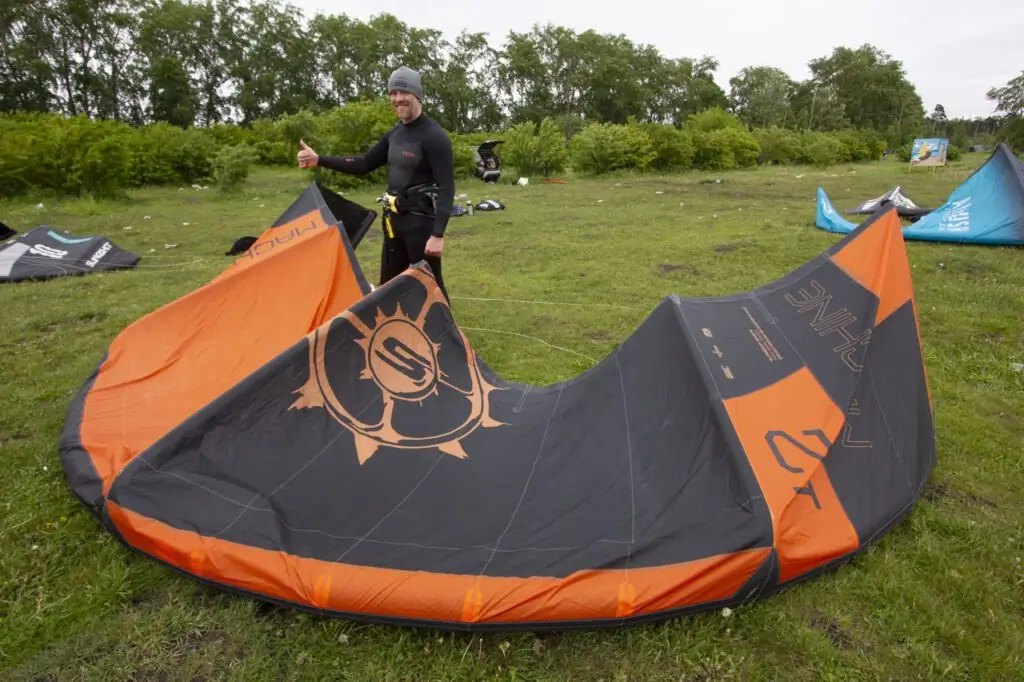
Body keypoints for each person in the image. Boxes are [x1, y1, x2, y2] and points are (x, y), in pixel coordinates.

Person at [297, 66, 455, 303]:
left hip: (421, 226)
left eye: (404, 92)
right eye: (393, 93)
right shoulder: (395, 134)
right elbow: (363, 163)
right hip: (394, 223)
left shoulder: (434, 136)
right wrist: (319, 159)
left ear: (417, 95)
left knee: (431, 286)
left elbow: (447, 186)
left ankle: (446, 327)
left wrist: (438, 235)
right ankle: (392, 324)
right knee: (389, 285)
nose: (398, 99)